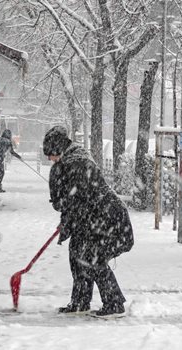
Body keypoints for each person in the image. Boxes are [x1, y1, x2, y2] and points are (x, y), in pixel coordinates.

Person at [43, 126, 134, 318]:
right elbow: (73, 202)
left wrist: (68, 219)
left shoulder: (76, 164)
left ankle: (115, 304)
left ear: (57, 148)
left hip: (109, 222)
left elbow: (78, 200)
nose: (50, 159)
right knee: (78, 257)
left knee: (94, 259)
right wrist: (67, 222)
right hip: (94, 221)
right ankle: (80, 302)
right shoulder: (71, 160)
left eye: (50, 154)